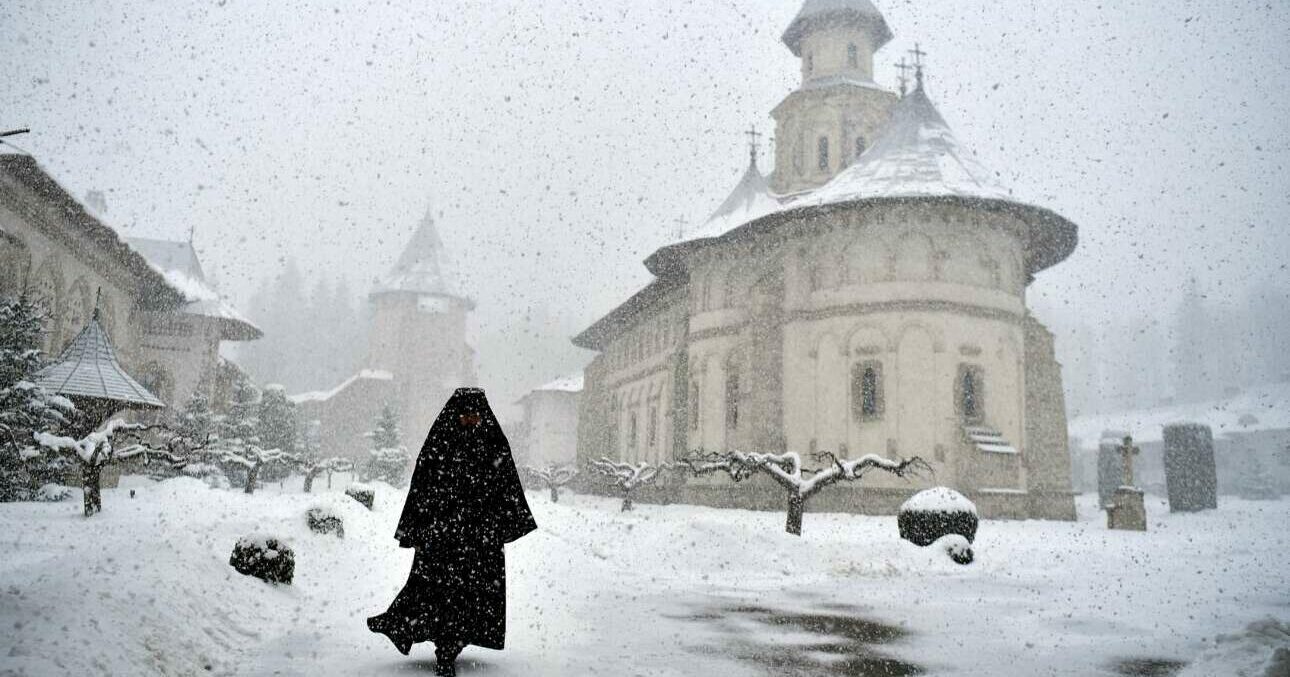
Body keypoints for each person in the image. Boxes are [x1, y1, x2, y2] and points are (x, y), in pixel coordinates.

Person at [367, 388, 537, 676]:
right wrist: (420, 527)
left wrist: (502, 522)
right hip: (443, 535)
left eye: (475, 415)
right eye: (465, 415)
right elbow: (422, 484)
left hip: (478, 539)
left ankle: (437, 645)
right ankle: (406, 627)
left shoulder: (492, 442)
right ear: (455, 415)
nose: (470, 420)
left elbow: (507, 484)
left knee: (466, 597)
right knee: (434, 590)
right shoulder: (441, 441)